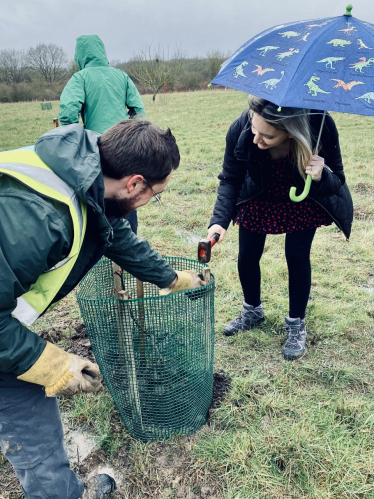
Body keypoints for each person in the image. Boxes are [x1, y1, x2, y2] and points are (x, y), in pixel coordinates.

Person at [0, 119, 204, 499]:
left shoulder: (84, 169)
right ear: (134, 184)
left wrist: (172, 279)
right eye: (154, 194)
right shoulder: (41, 219)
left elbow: (114, 233)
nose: (149, 201)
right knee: (35, 432)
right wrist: (53, 364)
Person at [207, 95, 353, 361]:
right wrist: (219, 220)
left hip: (300, 199)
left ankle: (296, 324)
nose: (256, 140)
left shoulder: (321, 127)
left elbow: (338, 181)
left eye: (268, 137)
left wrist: (322, 175)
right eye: (255, 129)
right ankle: (252, 311)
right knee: (248, 254)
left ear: (290, 131)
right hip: (258, 195)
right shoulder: (242, 126)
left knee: (297, 257)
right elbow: (230, 178)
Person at [59, 34, 146, 233]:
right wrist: (134, 138)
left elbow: (68, 113)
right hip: (126, 147)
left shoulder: (80, 78)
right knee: (126, 192)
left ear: (80, 56)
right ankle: (128, 243)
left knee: (100, 195)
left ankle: (101, 246)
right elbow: (138, 110)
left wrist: (77, 142)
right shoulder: (122, 76)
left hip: (97, 148)